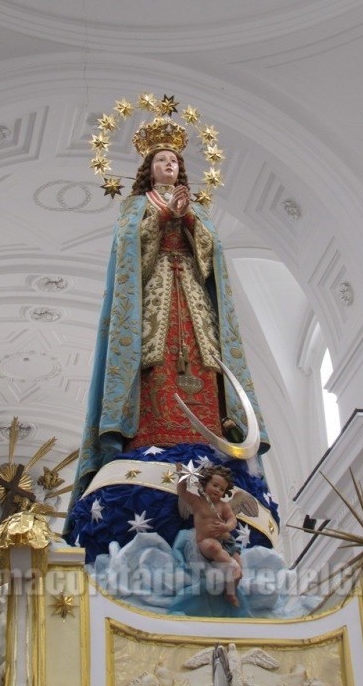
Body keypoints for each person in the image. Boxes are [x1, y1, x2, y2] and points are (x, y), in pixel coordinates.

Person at [66, 116, 268, 532]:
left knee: (205, 362)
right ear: (149, 168)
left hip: (193, 300)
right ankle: (150, 442)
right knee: (155, 365)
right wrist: (161, 218)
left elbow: (213, 259)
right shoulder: (136, 206)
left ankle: (212, 442)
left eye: (174, 160)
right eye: (161, 160)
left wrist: (189, 220)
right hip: (153, 302)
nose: (168, 165)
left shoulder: (198, 209)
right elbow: (129, 251)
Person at [176, 463, 242, 606]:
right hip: (205, 541)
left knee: (240, 572)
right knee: (214, 548)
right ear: (205, 484)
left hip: (227, 541)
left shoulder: (223, 506)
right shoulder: (197, 501)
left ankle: (230, 592)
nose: (218, 490)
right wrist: (182, 477)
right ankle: (232, 566)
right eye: (215, 485)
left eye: (222, 489)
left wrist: (226, 526)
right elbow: (182, 492)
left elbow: (233, 521)